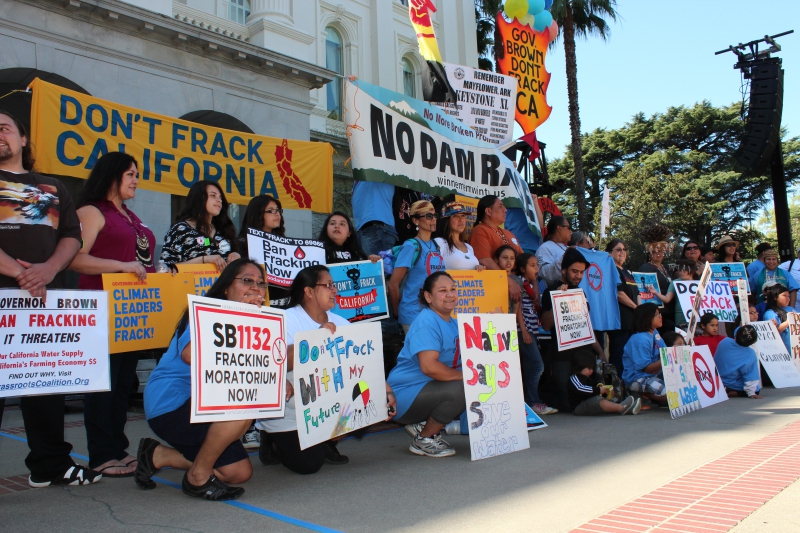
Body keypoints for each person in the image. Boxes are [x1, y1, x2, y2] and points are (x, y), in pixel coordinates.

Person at [0, 110, 95, 487]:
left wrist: (50, 270)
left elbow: (72, 236)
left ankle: (50, 464)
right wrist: (22, 273)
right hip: (10, 293)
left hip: (41, 302)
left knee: (43, 387)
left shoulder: (53, 187)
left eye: (4, 128)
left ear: (23, 139)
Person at [135, 260, 266, 500]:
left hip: (208, 404)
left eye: (261, 283)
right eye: (247, 280)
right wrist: (237, 316)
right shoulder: (206, 313)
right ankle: (198, 477)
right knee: (245, 400)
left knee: (238, 472)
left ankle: (158, 456)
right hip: (171, 403)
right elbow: (189, 354)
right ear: (226, 287)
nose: (256, 288)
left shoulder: (258, 325)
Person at [256, 265, 395, 471]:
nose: (335, 290)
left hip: (325, 407)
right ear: (309, 291)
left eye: (334, 285)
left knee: (373, 404)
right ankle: (272, 439)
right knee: (308, 465)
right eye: (329, 285)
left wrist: (386, 391)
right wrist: (316, 340)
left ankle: (325, 440)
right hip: (290, 412)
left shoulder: (341, 322)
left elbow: (362, 363)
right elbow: (276, 362)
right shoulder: (285, 320)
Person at [69, 152, 156, 478]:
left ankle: (117, 448)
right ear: (112, 175)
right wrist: (120, 266)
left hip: (132, 313)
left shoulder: (131, 216)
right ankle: (101, 454)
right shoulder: (92, 211)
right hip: (102, 310)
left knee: (122, 384)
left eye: (137, 174)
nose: (136, 180)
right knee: (102, 385)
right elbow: (75, 258)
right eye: (131, 174)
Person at [387, 272, 465, 457]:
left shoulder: (453, 322)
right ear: (428, 297)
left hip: (425, 390)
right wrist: (466, 377)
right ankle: (425, 438)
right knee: (463, 387)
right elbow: (429, 367)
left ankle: (424, 422)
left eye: (453, 289)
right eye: (443, 290)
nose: (450, 294)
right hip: (404, 394)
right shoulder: (427, 321)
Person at [539, 248, 605, 413]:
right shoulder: (550, 291)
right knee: (568, 402)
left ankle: (600, 404)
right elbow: (546, 325)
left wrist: (600, 351)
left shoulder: (581, 292)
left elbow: (586, 324)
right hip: (563, 357)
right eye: (574, 271)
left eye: (582, 272)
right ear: (563, 270)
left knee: (586, 392)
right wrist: (559, 300)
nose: (578, 276)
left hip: (584, 354)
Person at [388, 200, 445, 333]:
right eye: (428, 216)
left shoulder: (435, 246)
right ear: (415, 221)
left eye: (435, 216)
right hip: (413, 314)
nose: (433, 220)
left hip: (433, 314)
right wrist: (397, 312)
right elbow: (393, 284)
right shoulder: (410, 246)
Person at [160, 180, 240, 271]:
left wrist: (237, 255)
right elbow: (167, 268)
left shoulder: (223, 230)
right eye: (213, 196)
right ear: (199, 199)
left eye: (220, 197)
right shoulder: (180, 230)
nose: (219, 200)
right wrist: (204, 259)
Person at [516, 254, 557, 415]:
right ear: (522, 268)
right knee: (537, 365)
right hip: (524, 330)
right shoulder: (520, 282)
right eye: (532, 265)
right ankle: (533, 401)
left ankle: (528, 401)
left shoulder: (532, 284)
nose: (536, 269)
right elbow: (518, 307)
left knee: (529, 366)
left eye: (536, 265)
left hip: (532, 329)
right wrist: (524, 330)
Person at [468, 195, 523, 301]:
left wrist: (532, 282)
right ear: (488, 211)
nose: (505, 210)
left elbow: (523, 259)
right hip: (498, 288)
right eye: (500, 206)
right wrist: (507, 281)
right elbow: (484, 260)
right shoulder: (480, 231)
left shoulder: (508, 233)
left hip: (519, 284)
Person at [568, 351, 641, 416]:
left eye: (592, 368)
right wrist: (599, 390)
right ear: (580, 366)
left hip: (589, 402)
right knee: (598, 401)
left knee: (601, 400)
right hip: (579, 406)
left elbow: (593, 391)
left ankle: (626, 408)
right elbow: (581, 388)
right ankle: (622, 408)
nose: (591, 371)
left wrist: (606, 393)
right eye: (589, 368)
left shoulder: (590, 377)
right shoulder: (574, 378)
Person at [621, 304, 667, 405]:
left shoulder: (655, 333)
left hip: (654, 374)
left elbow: (665, 351)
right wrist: (668, 358)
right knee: (669, 393)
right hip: (637, 378)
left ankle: (648, 395)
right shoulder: (640, 339)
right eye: (657, 314)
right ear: (647, 318)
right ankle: (642, 394)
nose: (660, 316)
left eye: (660, 313)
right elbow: (646, 368)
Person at [606, 239, 638, 375]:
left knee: (630, 356)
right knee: (618, 355)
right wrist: (636, 308)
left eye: (624, 249)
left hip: (632, 322)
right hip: (620, 322)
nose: (622, 252)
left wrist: (640, 311)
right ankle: (616, 387)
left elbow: (637, 294)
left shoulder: (627, 272)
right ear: (610, 253)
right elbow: (618, 294)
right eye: (618, 249)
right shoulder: (611, 269)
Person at [713, 326, 763, 399]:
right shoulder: (750, 354)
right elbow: (751, 376)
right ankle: (731, 392)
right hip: (733, 385)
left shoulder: (724, 342)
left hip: (717, 380)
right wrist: (751, 393)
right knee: (756, 389)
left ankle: (724, 390)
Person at [433, 202, 483, 271]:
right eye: (455, 216)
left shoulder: (469, 247)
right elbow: (432, 271)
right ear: (446, 221)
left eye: (463, 215)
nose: (461, 219)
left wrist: (479, 269)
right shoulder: (440, 242)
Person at [352, 181, 397, 257]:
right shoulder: (357, 179)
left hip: (377, 228)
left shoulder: (376, 171)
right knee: (371, 268)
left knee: (381, 267)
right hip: (361, 231)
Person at [649, 259, 695, 328]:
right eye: (680, 270)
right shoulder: (675, 283)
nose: (681, 272)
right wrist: (655, 292)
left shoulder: (699, 282)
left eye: (684, 270)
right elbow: (667, 299)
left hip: (696, 318)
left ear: (691, 271)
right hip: (681, 317)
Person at [536, 216, 572, 285]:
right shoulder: (544, 248)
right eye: (568, 228)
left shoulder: (567, 247)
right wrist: (565, 257)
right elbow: (544, 274)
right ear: (559, 228)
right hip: (557, 292)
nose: (570, 231)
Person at [763, 284, 793, 354]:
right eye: (784, 296)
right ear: (775, 297)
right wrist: (790, 321)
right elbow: (772, 333)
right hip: (783, 352)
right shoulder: (770, 313)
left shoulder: (791, 309)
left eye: (788, 296)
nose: (788, 298)